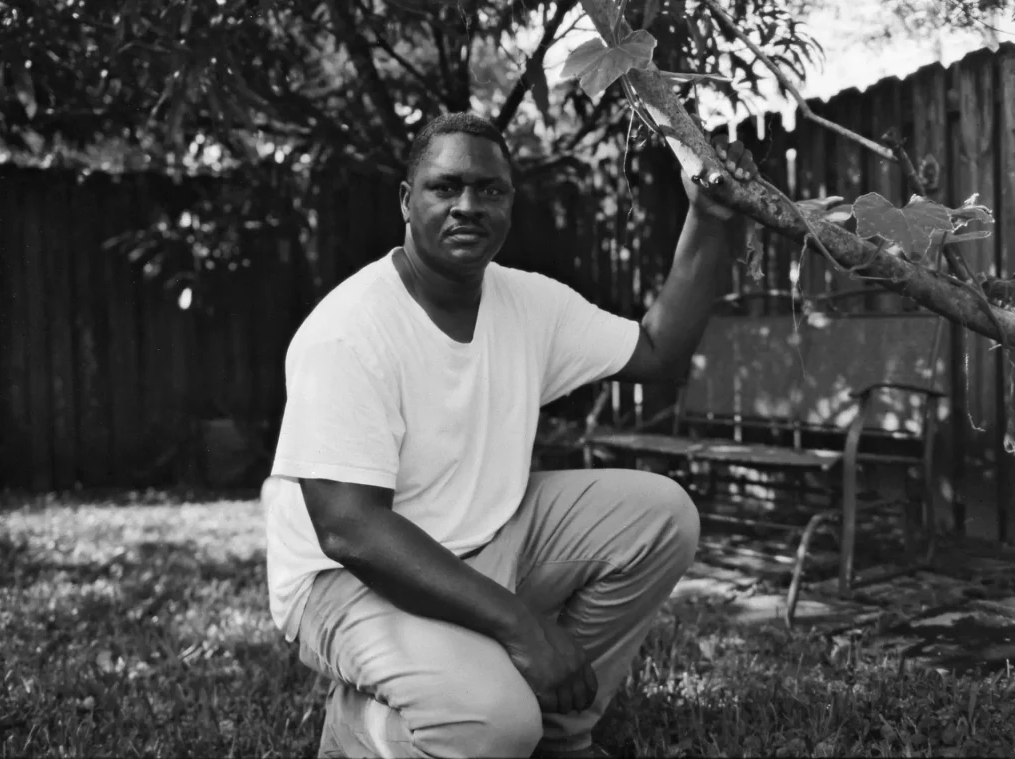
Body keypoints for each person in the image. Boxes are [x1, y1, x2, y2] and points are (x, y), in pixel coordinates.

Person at [263, 112, 756, 758]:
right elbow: (350, 528)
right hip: (344, 580)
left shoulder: (527, 304)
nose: (469, 204)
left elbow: (658, 350)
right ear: (408, 202)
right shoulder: (348, 331)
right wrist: (523, 627)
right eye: (446, 187)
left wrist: (709, 218)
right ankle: (361, 727)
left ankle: (560, 735)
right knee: (494, 720)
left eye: (490, 190)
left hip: (485, 538)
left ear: (510, 205)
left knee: (663, 515)